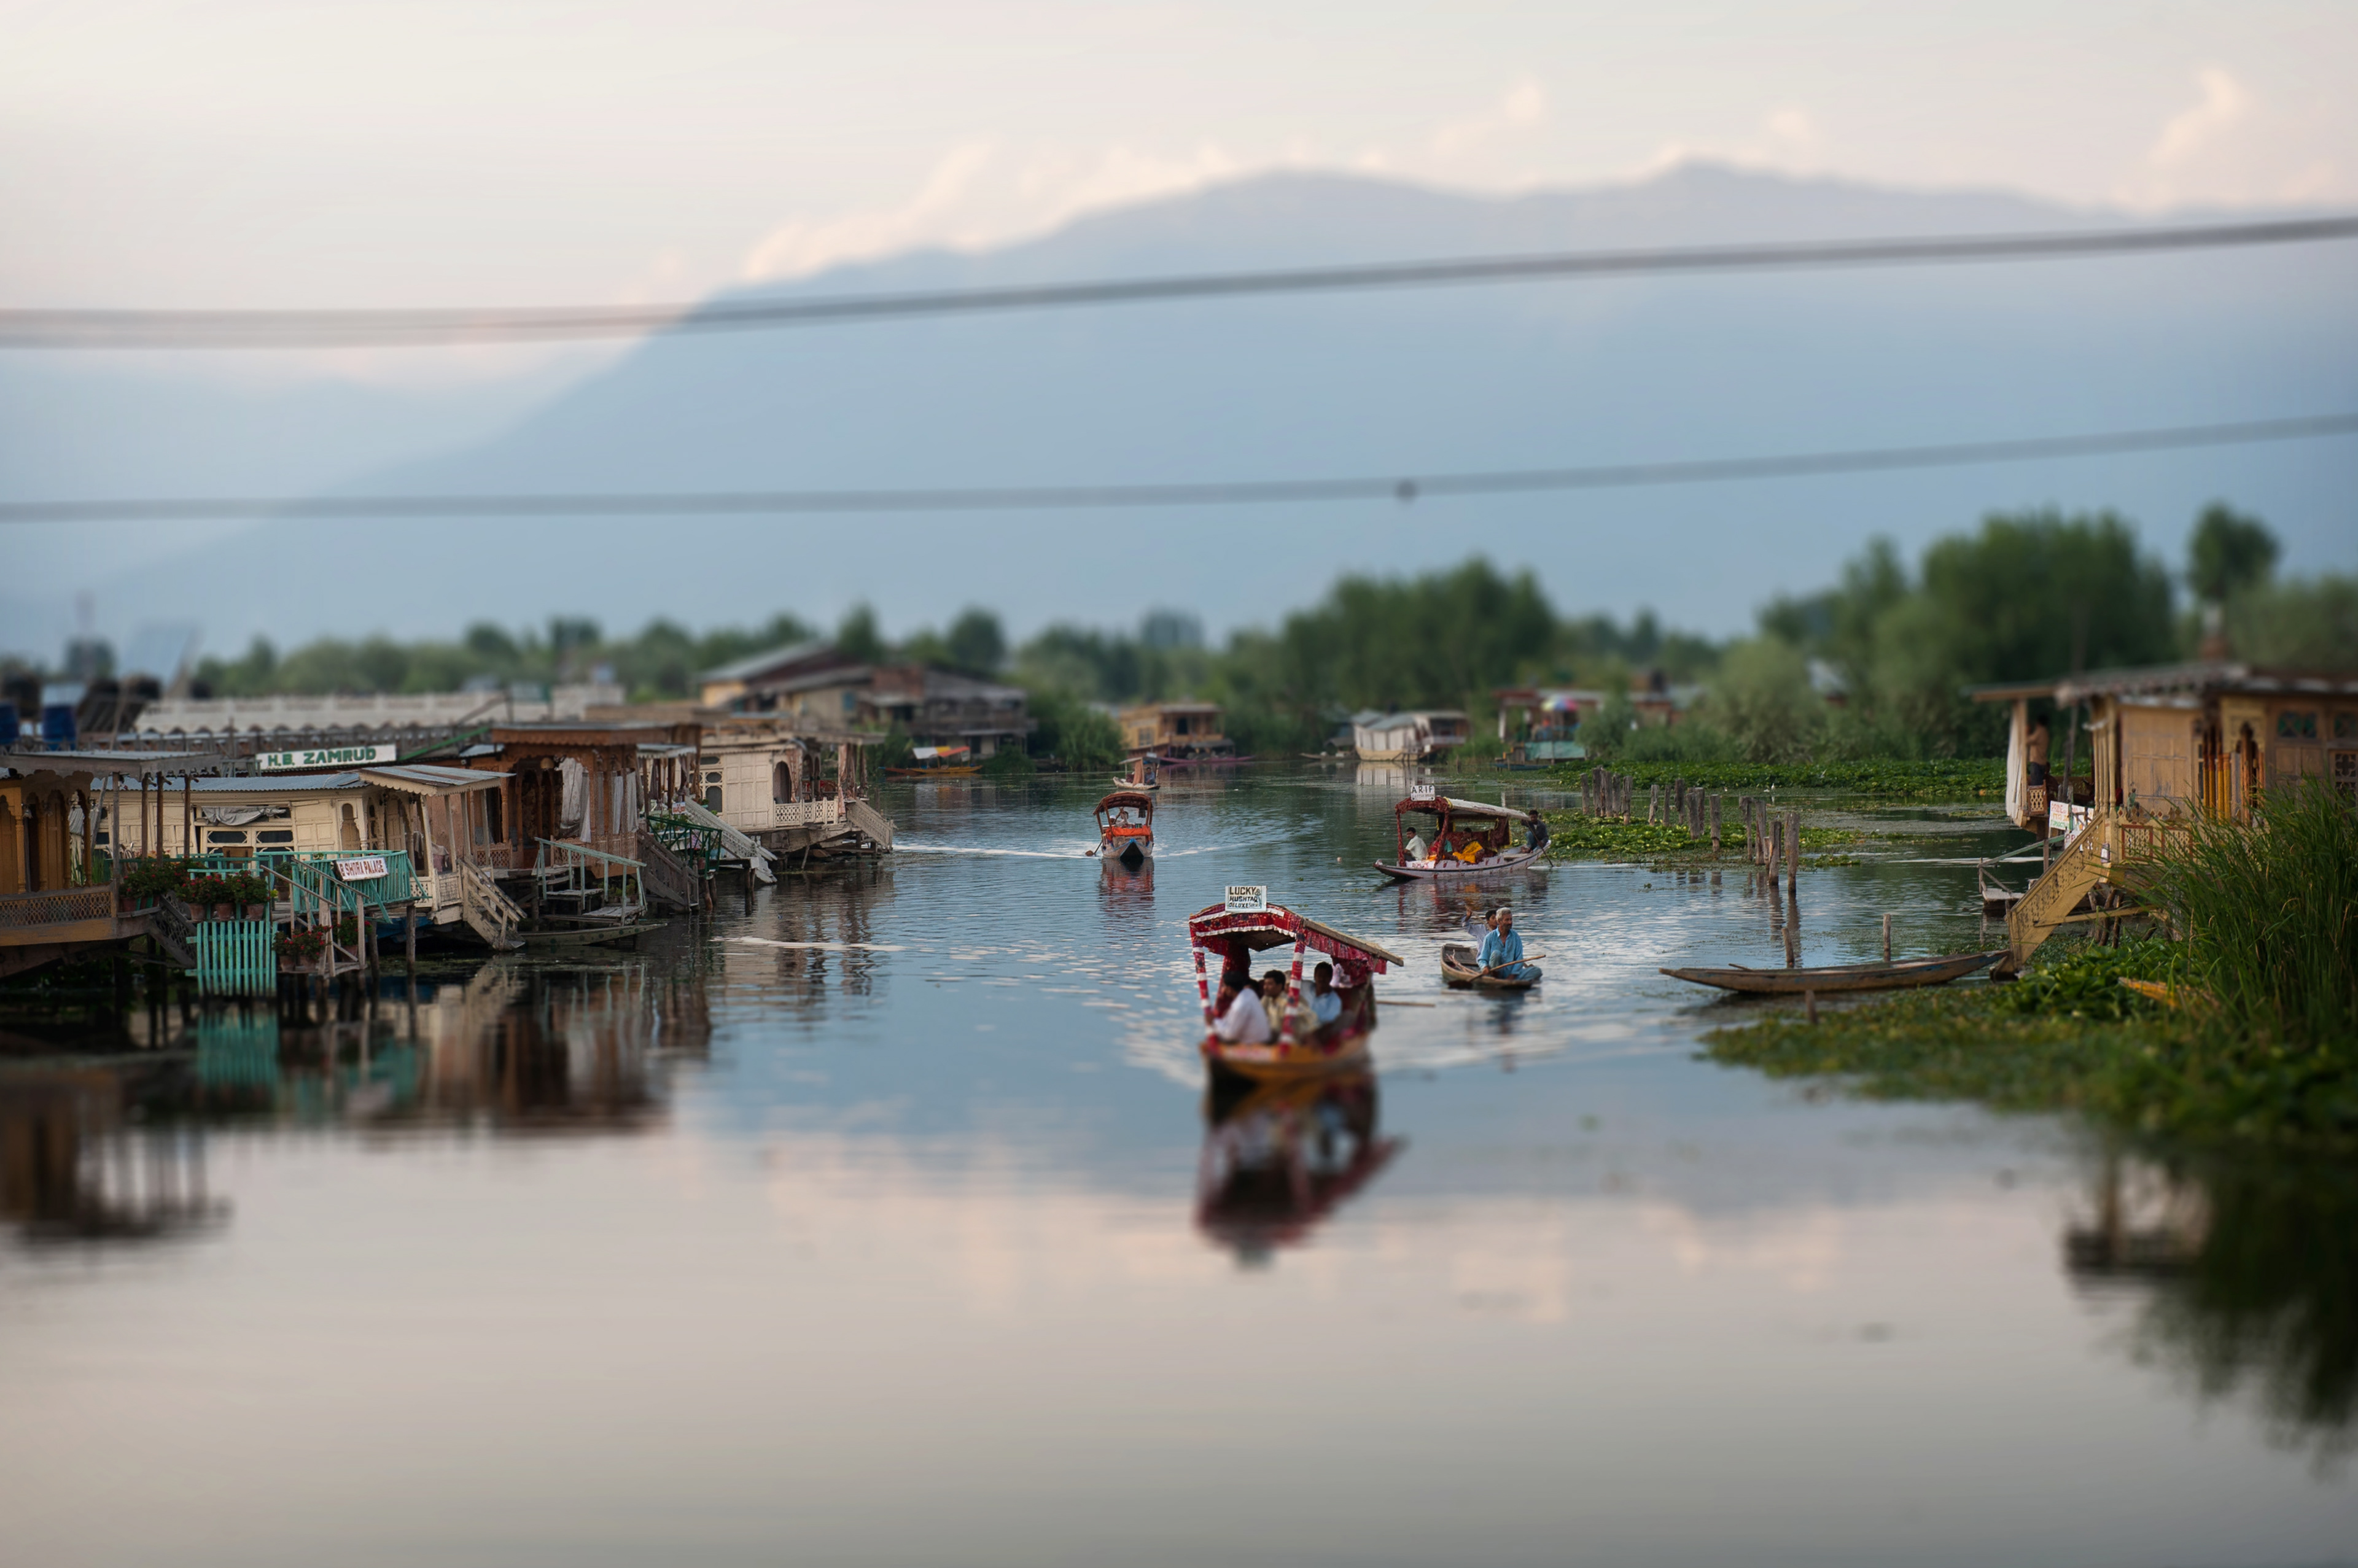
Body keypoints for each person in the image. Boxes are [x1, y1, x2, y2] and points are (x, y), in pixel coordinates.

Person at [1476, 906, 1531, 980]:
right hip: (1495, 972)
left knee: (1536, 971)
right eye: (1507, 920)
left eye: (1511, 919)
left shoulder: (1516, 937)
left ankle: (1511, 979)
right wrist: (1485, 967)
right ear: (1499, 922)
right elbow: (1482, 959)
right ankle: (1495, 978)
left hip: (1510, 972)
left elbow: (1519, 958)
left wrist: (1513, 975)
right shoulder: (1489, 938)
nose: (1510, 922)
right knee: (1496, 954)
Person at [1212, 977, 1270, 1044]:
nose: (1222, 990)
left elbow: (1230, 1036)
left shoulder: (1240, 1005)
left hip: (1255, 1046)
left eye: (1223, 986)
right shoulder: (1250, 993)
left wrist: (1213, 1022)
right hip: (1261, 1040)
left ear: (1229, 989)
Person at [1309, 962, 1342, 1030]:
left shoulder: (1334, 1001)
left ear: (1330, 978)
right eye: (1320, 975)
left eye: (1325, 976)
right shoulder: (1307, 989)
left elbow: (1327, 1025)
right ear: (1315, 976)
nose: (1322, 979)